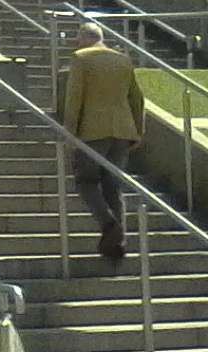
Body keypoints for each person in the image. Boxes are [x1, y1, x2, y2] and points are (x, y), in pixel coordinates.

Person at [61, 21, 145, 268]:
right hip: (122, 131)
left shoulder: (81, 59)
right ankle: (117, 243)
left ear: (85, 39)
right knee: (112, 187)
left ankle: (109, 224)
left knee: (86, 181)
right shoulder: (122, 60)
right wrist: (137, 131)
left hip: (92, 131)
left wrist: (70, 132)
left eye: (78, 39)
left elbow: (75, 97)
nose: (77, 43)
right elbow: (137, 99)